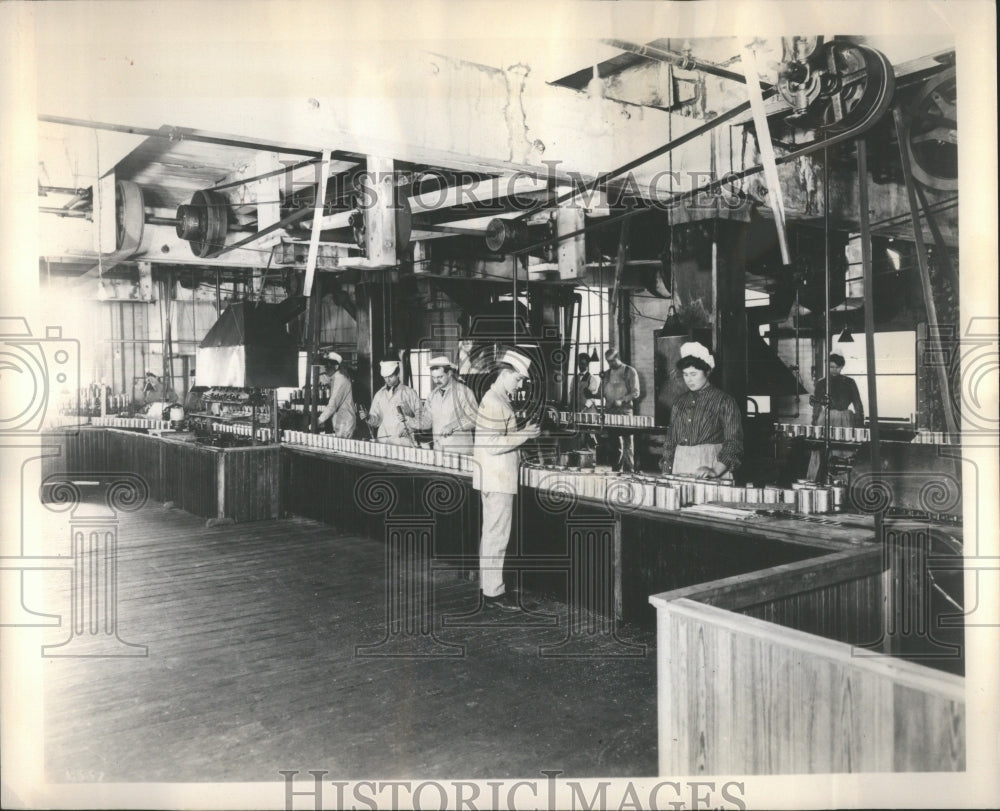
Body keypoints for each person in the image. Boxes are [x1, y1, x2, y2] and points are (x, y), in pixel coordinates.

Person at [472, 351, 541, 611]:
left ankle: (488, 587)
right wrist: (524, 435)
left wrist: (521, 445)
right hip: (497, 477)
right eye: (519, 379)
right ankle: (494, 594)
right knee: (497, 535)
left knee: (491, 534)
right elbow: (491, 444)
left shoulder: (497, 398)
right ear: (505, 374)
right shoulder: (494, 401)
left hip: (493, 476)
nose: (520, 384)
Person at [659, 341, 743, 479]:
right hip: (680, 465)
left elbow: (733, 443)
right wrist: (666, 471)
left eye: (693, 374)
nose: (689, 380)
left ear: (707, 372)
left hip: (711, 465)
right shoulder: (679, 402)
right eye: (685, 375)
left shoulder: (724, 401)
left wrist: (715, 471)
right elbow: (670, 440)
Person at [410, 355, 478, 454]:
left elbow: (474, 418)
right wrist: (411, 423)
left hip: (460, 451)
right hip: (438, 449)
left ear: (449, 373)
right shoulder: (432, 396)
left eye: (440, 377)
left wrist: (453, 426)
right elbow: (427, 422)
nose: (436, 381)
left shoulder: (464, 392)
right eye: (433, 377)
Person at [601, 347, 640, 472]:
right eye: (608, 362)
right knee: (614, 443)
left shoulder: (629, 371)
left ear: (618, 358)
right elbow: (601, 393)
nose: (610, 364)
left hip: (625, 411)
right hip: (610, 411)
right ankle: (616, 469)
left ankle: (629, 470)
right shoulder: (607, 374)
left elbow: (636, 392)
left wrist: (622, 400)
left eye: (612, 361)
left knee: (627, 442)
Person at [364, 359, 420, 446]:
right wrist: (368, 417)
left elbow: (421, 416)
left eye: (390, 376)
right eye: (385, 377)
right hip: (384, 439)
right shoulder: (379, 394)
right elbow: (377, 421)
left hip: (403, 440)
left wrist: (411, 428)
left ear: (398, 374)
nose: (387, 380)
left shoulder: (409, 393)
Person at [811, 353, 865, 429]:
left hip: (845, 418)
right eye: (831, 367)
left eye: (838, 367)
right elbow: (817, 405)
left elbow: (857, 403)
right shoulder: (821, 383)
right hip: (826, 418)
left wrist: (860, 421)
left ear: (842, 367)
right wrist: (815, 420)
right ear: (827, 366)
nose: (834, 370)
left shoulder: (849, 382)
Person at [317, 352, 357, 438]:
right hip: (340, 422)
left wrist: (319, 420)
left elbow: (333, 404)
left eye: (328, 365)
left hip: (345, 424)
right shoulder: (335, 378)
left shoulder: (341, 380)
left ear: (336, 366)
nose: (325, 367)